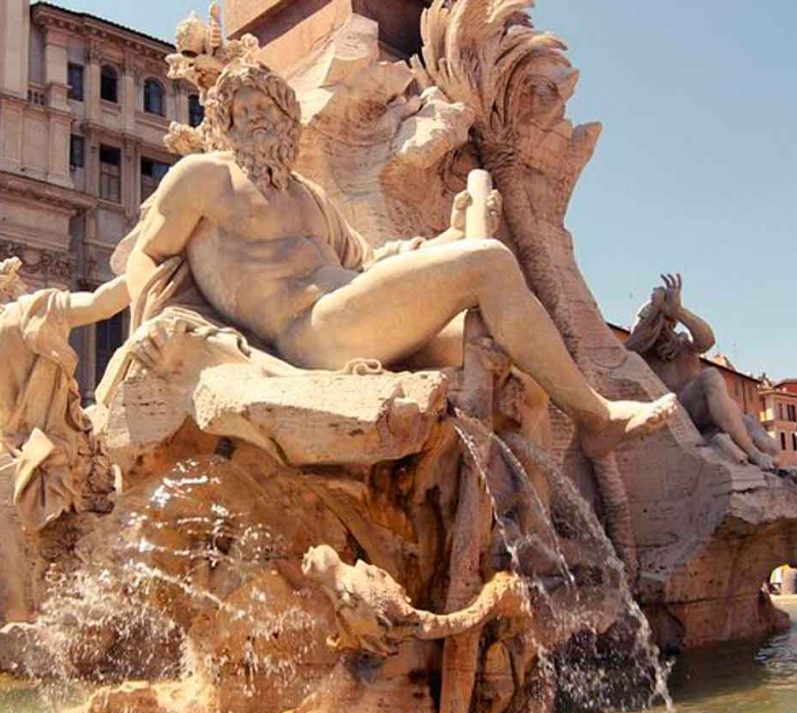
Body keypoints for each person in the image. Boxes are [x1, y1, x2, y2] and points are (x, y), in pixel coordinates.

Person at [120, 62, 676, 458]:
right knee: (487, 262)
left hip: (353, 311)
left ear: (288, 117)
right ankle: (597, 417)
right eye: (241, 111)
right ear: (224, 123)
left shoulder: (310, 197)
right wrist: (149, 328)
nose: (254, 118)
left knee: (517, 362)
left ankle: (522, 538)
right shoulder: (204, 178)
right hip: (308, 333)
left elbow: (370, 266)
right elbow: (148, 254)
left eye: (265, 106)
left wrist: (448, 236)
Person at [0, 257, 129, 531]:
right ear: (7, 285)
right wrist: (146, 264)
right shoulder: (34, 309)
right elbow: (102, 304)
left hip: (9, 447)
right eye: (19, 280)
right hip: (59, 447)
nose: (24, 285)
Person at [626, 274, 777, 470]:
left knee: (770, 446)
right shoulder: (642, 351)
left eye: (668, 323)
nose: (665, 328)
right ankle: (752, 452)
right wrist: (655, 309)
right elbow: (630, 345)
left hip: (712, 410)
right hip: (678, 411)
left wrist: (679, 311)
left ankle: (744, 445)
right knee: (710, 376)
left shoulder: (683, 343)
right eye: (659, 322)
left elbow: (707, 341)